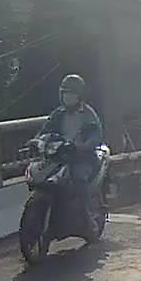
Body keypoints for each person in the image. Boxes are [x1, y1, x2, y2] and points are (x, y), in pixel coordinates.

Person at [36, 74, 104, 229]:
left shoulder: (88, 114)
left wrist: (83, 146)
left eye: (71, 94)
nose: (68, 97)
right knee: (42, 176)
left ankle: (87, 217)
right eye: (65, 93)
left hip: (82, 158)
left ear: (79, 96)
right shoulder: (58, 114)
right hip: (59, 156)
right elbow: (45, 131)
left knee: (79, 178)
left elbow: (96, 136)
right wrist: (37, 141)